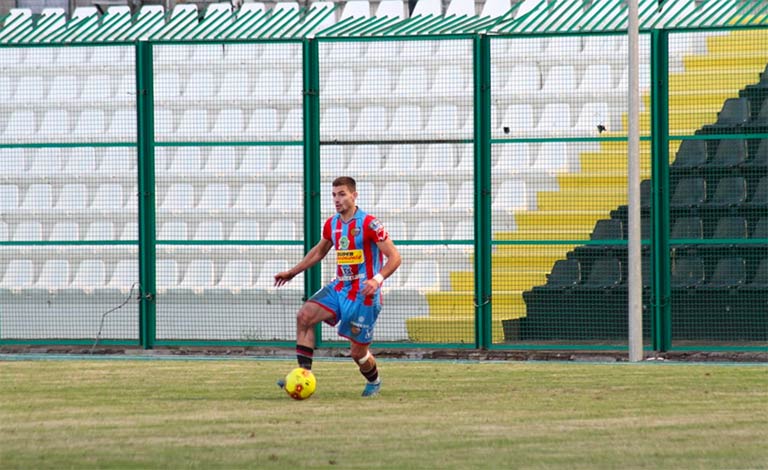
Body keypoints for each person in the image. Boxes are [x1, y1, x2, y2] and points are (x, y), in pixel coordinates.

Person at [274, 176, 402, 397]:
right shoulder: (332, 224)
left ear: (354, 195)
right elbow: (319, 251)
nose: (337, 199)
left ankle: (374, 381)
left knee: (358, 353)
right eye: (334, 195)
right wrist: (292, 272)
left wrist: (377, 280)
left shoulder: (370, 224)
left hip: (364, 295)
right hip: (340, 287)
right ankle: (303, 378)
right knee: (304, 316)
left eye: (342, 194)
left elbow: (395, 257)